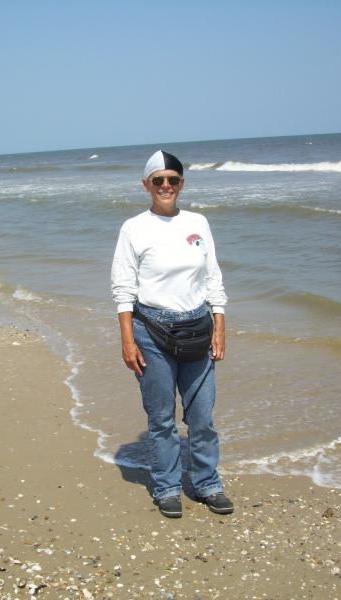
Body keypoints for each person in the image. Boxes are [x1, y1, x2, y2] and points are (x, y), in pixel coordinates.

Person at [111, 150, 234, 518]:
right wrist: (127, 338)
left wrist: (220, 324)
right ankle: (166, 486)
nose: (166, 186)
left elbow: (213, 276)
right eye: (158, 180)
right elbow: (123, 287)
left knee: (202, 417)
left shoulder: (198, 222)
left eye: (173, 180)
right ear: (146, 185)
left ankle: (207, 482)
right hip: (151, 332)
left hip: (198, 328)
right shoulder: (134, 228)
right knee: (161, 418)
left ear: (182, 184)